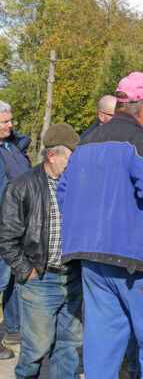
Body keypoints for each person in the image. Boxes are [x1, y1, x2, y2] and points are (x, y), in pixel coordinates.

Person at [57, 72, 143, 378]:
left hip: (93, 261)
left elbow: (64, 192)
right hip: (138, 264)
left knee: (102, 344)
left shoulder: (85, 143)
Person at [0, 123, 82, 378]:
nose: (74, 164)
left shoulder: (78, 184)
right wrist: (27, 272)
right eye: (70, 157)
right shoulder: (21, 187)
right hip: (40, 280)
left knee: (68, 348)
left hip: (73, 278)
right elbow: (6, 238)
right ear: (51, 156)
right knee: (35, 350)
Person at [0, 100, 31, 359]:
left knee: (12, 277)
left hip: (17, 224)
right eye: (4, 122)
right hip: (2, 224)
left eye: (10, 120)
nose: (10, 125)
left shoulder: (14, 145)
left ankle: (14, 328)